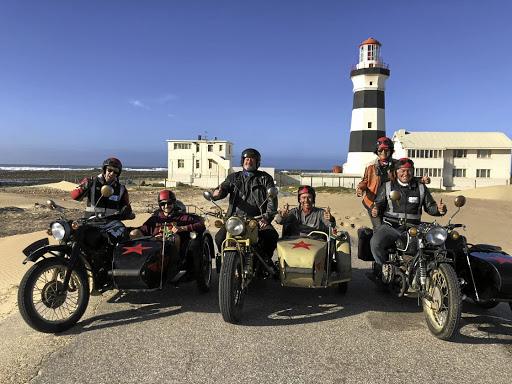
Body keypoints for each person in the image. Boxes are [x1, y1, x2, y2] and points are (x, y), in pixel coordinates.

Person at [369, 158, 446, 279]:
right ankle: (383, 270)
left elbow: (430, 207)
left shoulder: (421, 188)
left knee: (437, 244)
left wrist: (439, 210)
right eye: (403, 170)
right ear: (397, 172)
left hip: (414, 228)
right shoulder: (387, 187)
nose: (406, 173)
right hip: (391, 226)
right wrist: (375, 210)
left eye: (409, 170)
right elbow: (378, 204)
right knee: (375, 243)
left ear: (413, 172)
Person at [212, 148, 278, 260]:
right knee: (219, 238)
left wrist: (266, 218)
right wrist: (217, 194)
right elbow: (223, 188)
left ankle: (266, 260)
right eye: (247, 159)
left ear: (257, 163)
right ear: (242, 161)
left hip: (257, 219)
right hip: (234, 219)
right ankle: (226, 261)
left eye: (252, 160)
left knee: (271, 235)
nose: (249, 162)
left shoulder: (265, 178)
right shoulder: (233, 177)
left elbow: (272, 200)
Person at [357, 137, 430, 232]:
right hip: (373, 201)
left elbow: (405, 177)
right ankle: (376, 245)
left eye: (386, 149)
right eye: (380, 150)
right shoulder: (370, 166)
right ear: (377, 151)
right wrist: (360, 188)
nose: (383, 152)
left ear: (391, 151)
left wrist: (421, 180)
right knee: (378, 227)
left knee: (392, 227)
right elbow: (365, 181)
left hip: (390, 201)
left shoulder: (397, 164)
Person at [71, 157, 132, 241]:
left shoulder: (121, 189)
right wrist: (84, 187)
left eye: (115, 171)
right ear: (104, 170)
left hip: (111, 223)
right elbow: (74, 196)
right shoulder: (92, 182)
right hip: (91, 221)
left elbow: (126, 208)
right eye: (109, 170)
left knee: (123, 235)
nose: (112, 173)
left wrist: (127, 211)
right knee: (75, 236)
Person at [130, 189, 205, 243]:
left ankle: (175, 264)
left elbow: (201, 225)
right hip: (155, 246)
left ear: (174, 203)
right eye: (163, 204)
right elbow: (143, 229)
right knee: (134, 233)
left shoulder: (183, 218)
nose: (166, 206)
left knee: (175, 237)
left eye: (169, 203)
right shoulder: (154, 219)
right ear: (160, 205)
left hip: (173, 250)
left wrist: (182, 228)